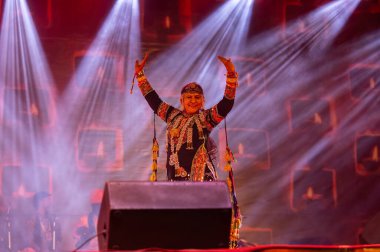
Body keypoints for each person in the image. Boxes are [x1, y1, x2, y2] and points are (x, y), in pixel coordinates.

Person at [135, 54, 238, 181]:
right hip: (175, 179)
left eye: (197, 97)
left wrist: (231, 75)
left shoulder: (205, 119)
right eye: (189, 97)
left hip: (202, 180)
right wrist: (140, 76)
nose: (193, 101)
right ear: (182, 100)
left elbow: (226, 104)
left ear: (203, 101)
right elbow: (154, 101)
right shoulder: (172, 115)